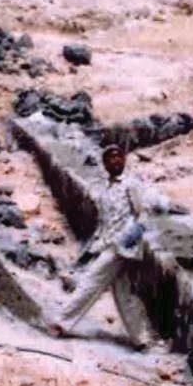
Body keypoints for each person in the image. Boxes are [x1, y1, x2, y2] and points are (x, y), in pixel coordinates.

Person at [48, 145, 155, 346]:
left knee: (91, 279)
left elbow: (143, 215)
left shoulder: (131, 185)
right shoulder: (104, 188)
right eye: (110, 158)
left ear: (124, 159)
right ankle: (140, 338)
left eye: (118, 157)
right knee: (122, 292)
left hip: (122, 246)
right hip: (106, 243)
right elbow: (104, 222)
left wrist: (128, 238)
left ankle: (61, 322)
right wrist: (92, 247)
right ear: (104, 164)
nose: (115, 161)